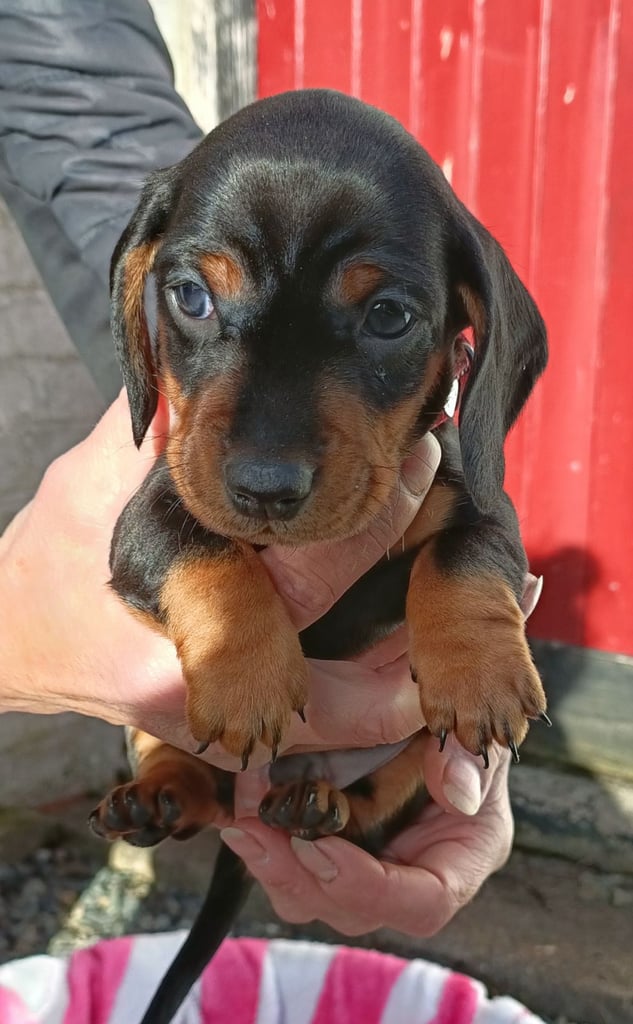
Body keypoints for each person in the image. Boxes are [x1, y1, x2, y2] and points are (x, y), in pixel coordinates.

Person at [0, 3, 545, 1019]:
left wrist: (472, 632)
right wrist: (220, 624)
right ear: (143, 291)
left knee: (422, 716)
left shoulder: (433, 477)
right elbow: (154, 537)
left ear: (471, 341)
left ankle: (354, 797)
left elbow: (479, 535)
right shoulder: (184, 469)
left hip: (366, 759)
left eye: (384, 316)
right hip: (235, 718)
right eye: (198, 303)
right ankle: (183, 768)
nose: (266, 458)